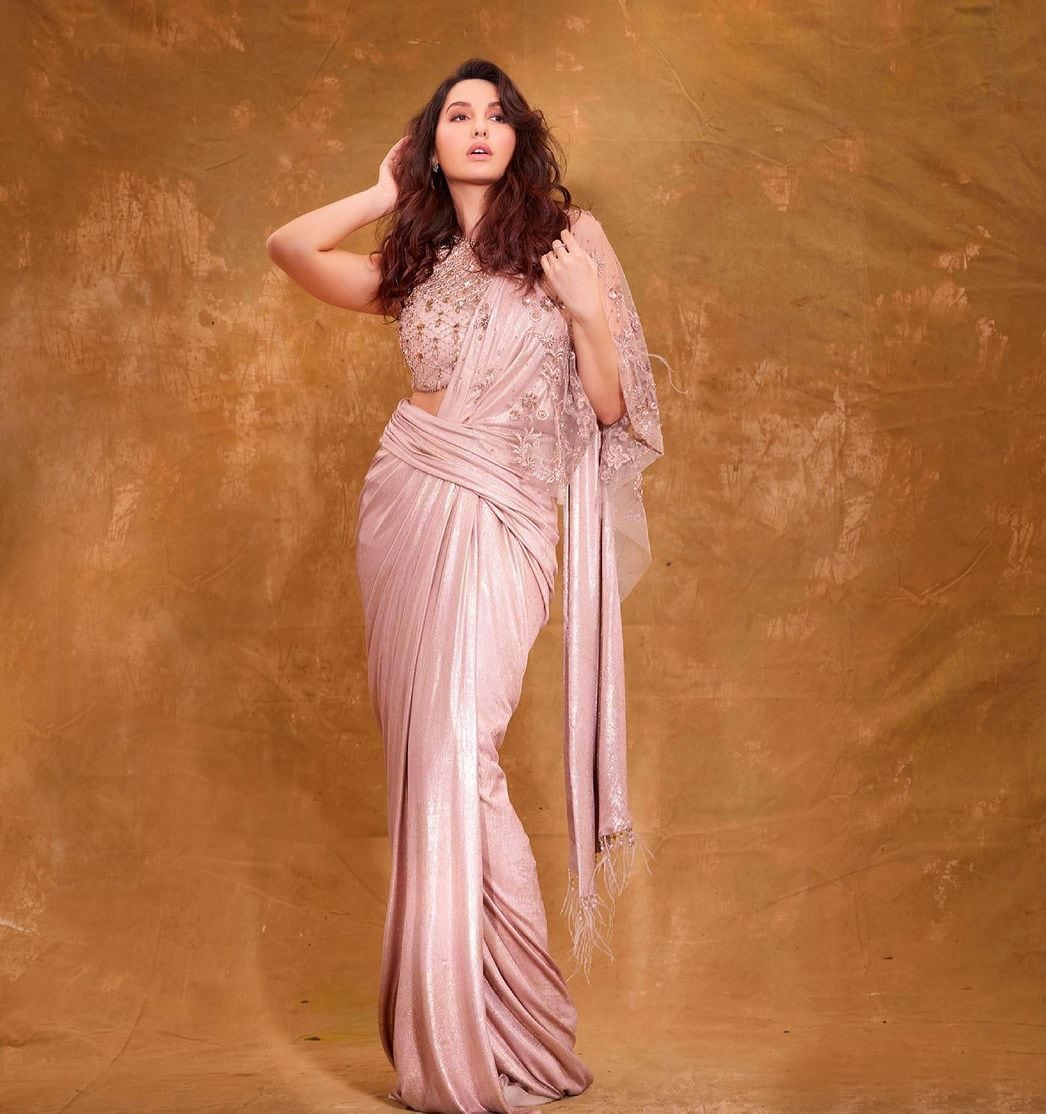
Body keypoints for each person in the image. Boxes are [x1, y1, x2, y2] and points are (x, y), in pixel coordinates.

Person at [266, 56, 664, 1114]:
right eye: (457, 115)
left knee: (460, 743)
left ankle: (520, 1024)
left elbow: (614, 409)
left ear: (519, 136)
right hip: (408, 502)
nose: (480, 127)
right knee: (425, 758)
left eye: (497, 114)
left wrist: (587, 311)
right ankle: (457, 1028)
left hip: (506, 514)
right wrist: (379, 193)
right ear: (431, 144)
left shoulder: (571, 242)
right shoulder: (415, 260)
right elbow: (289, 248)